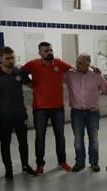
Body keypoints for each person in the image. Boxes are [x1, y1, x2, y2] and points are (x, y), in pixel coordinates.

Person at [22, 41, 73, 174]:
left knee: (60, 136)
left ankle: (62, 162)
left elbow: (73, 68)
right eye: (45, 51)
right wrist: (29, 84)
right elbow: (20, 72)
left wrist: (91, 68)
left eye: (50, 50)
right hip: (40, 108)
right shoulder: (33, 64)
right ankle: (40, 164)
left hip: (58, 108)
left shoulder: (59, 63)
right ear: (40, 53)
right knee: (40, 137)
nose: (49, 52)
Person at [0, 46, 35, 180]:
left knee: (23, 142)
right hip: (4, 116)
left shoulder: (20, 72)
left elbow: (32, 85)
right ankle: (8, 169)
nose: (10, 60)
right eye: (7, 58)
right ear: (1, 59)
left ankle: (25, 166)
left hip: (20, 114)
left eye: (12, 57)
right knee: (5, 144)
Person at [64, 53, 107, 172]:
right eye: (77, 62)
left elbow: (105, 90)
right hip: (77, 112)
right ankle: (79, 163)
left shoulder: (96, 74)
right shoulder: (70, 73)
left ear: (88, 64)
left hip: (93, 112)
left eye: (80, 63)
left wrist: (101, 75)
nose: (77, 65)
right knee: (78, 140)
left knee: (93, 139)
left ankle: (94, 163)